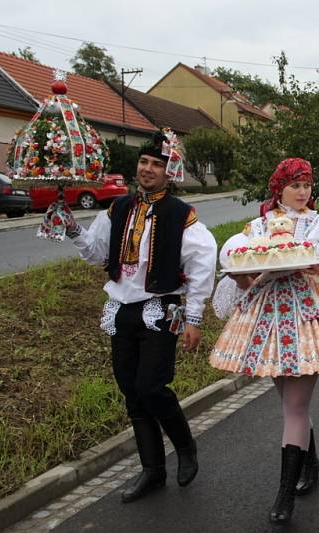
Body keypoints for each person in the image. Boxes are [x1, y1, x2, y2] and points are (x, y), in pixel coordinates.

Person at [209, 158, 319, 524]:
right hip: (267, 320)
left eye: (307, 185)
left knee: (295, 408)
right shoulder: (256, 228)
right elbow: (245, 277)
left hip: (311, 321)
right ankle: (311, 464)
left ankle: (285, 495)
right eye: (296, 185)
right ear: (279, 188)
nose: (303, 192)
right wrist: (241, 281)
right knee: (288, 402)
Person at [65, 129, 217, 503]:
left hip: (162, 309)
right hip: (121, 309)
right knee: (132, 394)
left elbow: (201, 264)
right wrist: (70, 226)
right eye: (144, 162)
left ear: (170, 172)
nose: (148, 169)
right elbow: (95, 250)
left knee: (152, 387)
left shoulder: (182, 215)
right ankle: (152, 471)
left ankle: (184, 446)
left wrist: (194, 320)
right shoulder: (118, 208)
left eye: (156, 164)